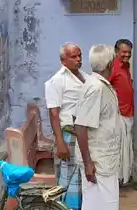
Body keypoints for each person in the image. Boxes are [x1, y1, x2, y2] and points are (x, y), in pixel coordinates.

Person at [75, 44, 122, 210]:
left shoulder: (98, 84)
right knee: (106, 205)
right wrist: (88, 162)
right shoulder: (96, 87)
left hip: (103, 159)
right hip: (98, 161)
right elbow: (80, 126)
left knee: (95, 204)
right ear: (110, 64)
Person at [44, 42, 88, 210]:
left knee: (80, 179)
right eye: (74, 57)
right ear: (63, 60)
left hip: (82, 135)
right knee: (66, 180)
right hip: (68, 135)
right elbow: (54, 113)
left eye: (80, 55)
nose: (78, 59)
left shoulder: (84, 76)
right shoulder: (56, 81)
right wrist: (60, 142)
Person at [109, 39, 136, 185]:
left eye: (129, 53)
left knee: (126, 151)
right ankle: (116, 181)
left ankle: (122, 179)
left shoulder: (126, 66)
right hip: (118, 115)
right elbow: (105, 86)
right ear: (116, 51)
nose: (126, 55)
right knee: (119, 151)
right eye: (123, 52)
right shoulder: (113, 67)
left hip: (128, 113)